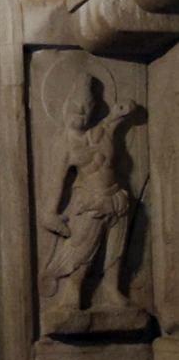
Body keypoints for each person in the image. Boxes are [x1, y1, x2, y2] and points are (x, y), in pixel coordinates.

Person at [40, 73, 135, 310]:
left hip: (117, 198)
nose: (81, 114)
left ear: (94, 109)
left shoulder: (101, 132)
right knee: (83, 249)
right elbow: (56, 181)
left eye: (87, 109)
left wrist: (123, 110)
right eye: (76, 108)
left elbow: (119, 114)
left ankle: (112, 289)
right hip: (90, 202)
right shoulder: (64, 145)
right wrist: (50, 213)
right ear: (65, 108)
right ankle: (73, 292)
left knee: (116, 250)